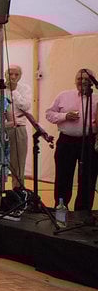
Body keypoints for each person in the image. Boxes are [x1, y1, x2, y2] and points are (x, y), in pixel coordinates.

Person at [45, 68, 98, 212]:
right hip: (66, 142)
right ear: (75, 80)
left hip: (88, 142)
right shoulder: (64, 95)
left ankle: (82, 212)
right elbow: (49, 114)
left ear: (92, 82)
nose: (83, 81)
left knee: (87, 179)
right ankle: (61, 210)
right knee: (63, 177)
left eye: (87, 79)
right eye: (80, 78)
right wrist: (64, 116)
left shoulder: (96, 98)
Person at [7, 65, 32, 189]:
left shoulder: (24, 88)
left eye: (16, 75)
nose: (13, 77)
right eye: (10, 74)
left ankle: (17, 193)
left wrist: (14, 91)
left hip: (18, 128)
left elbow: (25, 106)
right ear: (5, 74)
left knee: (18, 163)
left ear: (20, 76)